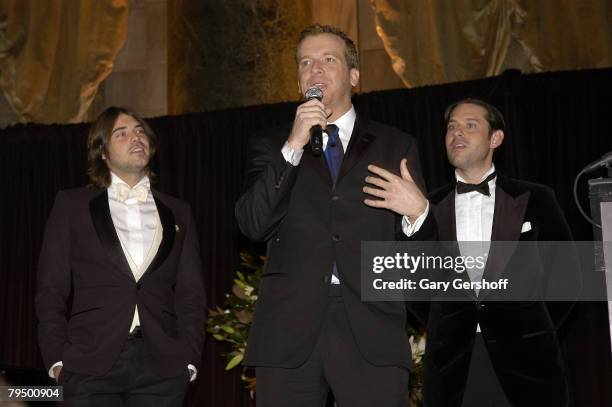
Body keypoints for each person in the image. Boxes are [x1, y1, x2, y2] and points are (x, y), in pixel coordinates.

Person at [235, 24, 429, 406]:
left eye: (328, 60)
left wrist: (417, 213)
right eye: (306, 62)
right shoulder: (273, 144)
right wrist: (293, 145)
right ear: (298, 81)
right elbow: (252, 224)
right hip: (289, 327)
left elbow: (423, 250)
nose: (315, 70)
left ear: (354, 76)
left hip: (370, 325)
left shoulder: (396, 145)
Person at [36, 107, 207, 406]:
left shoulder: (179, 211)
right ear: (102, 152)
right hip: (89, 363)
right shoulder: (71, 205)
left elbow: (191, 293)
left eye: (140, 130)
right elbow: (51, 289)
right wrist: (57, 360)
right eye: (121, 133)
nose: (135, 137)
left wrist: (189, 358)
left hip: (163, 366)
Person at [415, 98, 579, 406]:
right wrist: (450, 322)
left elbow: (568, 276)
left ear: (495, 138)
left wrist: (527, 327)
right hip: (454, 366)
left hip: (528, 365)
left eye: (470, 125)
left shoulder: (537, 198)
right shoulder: (426, 208)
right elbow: (414, 286)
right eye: (451, 127)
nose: (457, 133)